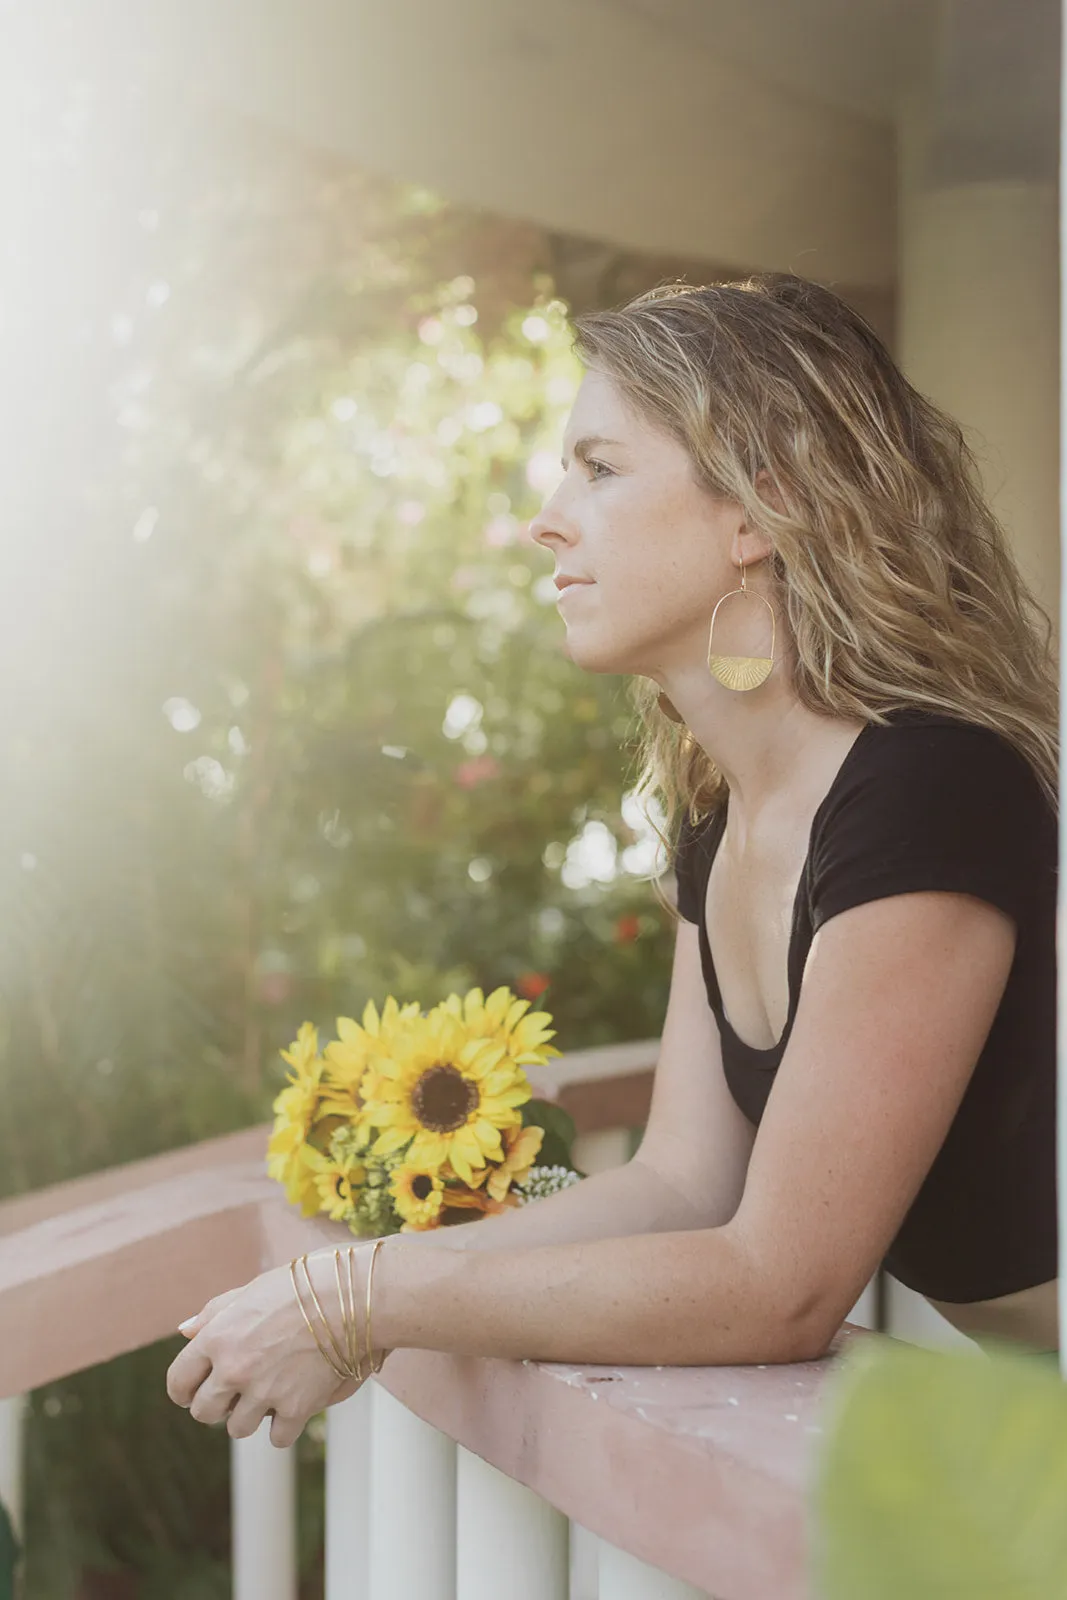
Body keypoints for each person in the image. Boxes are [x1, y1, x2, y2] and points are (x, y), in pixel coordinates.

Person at [167, 272, 1059, 1450]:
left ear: (758, 508)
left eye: (597, 467)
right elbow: (682, 1186)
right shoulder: (724, 812)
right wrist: (358, 1283)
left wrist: (366, 1298)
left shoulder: (929, 791)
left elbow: (778, 1284)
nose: (547, 517)